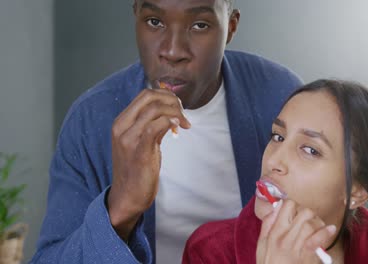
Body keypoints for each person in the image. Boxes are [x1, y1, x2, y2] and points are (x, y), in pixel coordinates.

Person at [31, 0, 302, 263]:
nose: (173, 51)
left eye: (199, 25)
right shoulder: (90, 121)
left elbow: (329, 225)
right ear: (136, 16)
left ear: (230, 27)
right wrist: (120, 208)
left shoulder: (282, 100)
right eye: (154, 21)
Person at [183, 79, 368, 263]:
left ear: (358, 190)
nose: (274, 160)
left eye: (310, 150)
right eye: (278, 136)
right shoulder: (209, 251)